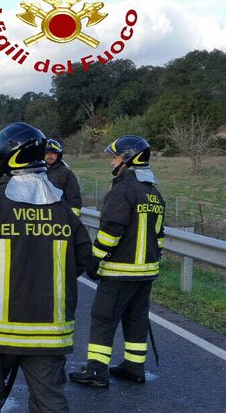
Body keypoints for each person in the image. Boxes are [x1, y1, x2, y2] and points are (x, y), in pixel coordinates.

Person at [0, 122, 93, 412]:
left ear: (7, 159)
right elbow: (82, 260)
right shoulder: (63, 210)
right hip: (48, 334)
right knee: (49, 403)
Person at [70, 136, 166, 387]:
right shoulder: (154, 194)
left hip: (118, 272)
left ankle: (96, 371)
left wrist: (94, 260)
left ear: (127, 159)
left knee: (103, 318)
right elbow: (159, 237)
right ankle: (134, 368)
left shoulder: (122, 191)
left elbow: (111, 231)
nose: (111, 161)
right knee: (136, 319)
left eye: (114, 156)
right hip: (146, 273)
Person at [45, 139, 83, 216]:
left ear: (59, 155)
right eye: (47, 153)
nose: (50, 156)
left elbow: (74, 198)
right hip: (41, 218)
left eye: (53, 153)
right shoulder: (37, 173)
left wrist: (72, 219)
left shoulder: (66, 173)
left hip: (59, 217)